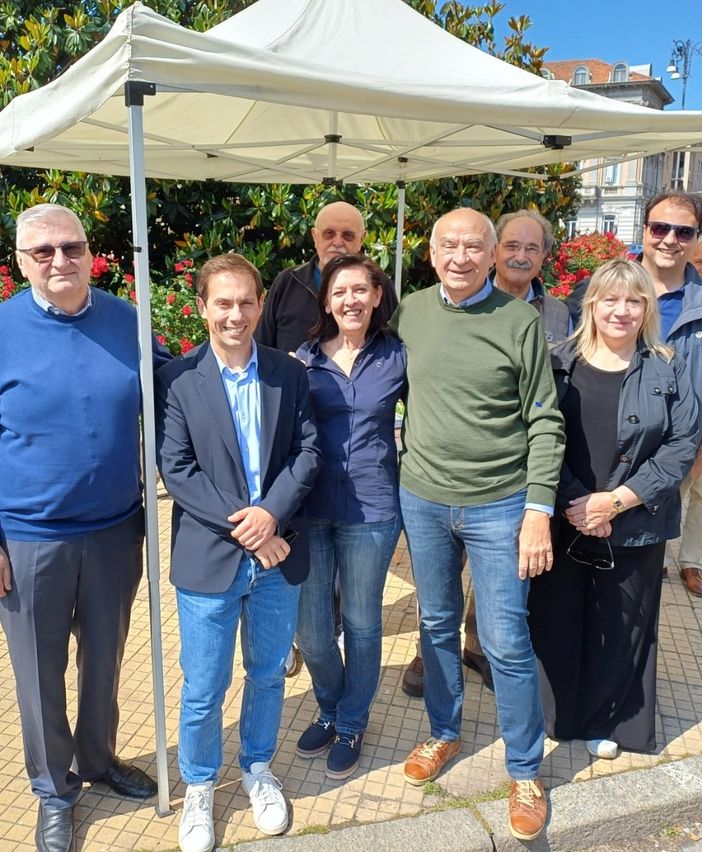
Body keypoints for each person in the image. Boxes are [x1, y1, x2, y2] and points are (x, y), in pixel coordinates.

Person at [390, 207, 565, 842]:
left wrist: (538, 511)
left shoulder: (519, 322)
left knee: (505, 640)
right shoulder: (410, 312)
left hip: (499, 504)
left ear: (492, 256)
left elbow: (545, 420)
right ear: (431, 254)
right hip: (425, 499)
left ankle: (524, 769)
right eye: (449, 246)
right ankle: (443, 732)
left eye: (473, 247)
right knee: (435, 624)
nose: (460, 257)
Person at [0, 203, 164, 852]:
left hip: (116, 531)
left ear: (91, 250)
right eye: (43, 252)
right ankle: (53, 790)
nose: (60, 262)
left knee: (105, 660)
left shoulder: (128, 321)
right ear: (20, 262)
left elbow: (180, 399)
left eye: (71, 247)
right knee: (40, 675)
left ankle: (97, 760)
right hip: (29, 537)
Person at [155, 253, 321, 852]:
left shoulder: (287, 372)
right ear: (202, 308)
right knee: (203, 685)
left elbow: (307, 453)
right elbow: (177, 470)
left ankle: (257, 768)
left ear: (260, 305)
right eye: (222, 302)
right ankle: (199, 786)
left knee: (268, 674)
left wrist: (271, 514)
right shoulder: (177, 379)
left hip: (279, 558)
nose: (235, 314)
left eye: (246, 301)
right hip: (212, 559)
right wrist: (252, 529)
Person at [529, 259, 698, 760]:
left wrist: (615, 502)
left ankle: (610, 721)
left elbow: (681, 444)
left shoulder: (669, 365)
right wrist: (575, 502)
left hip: (636, 520)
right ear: (591, 305)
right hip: (564, 519)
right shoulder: (558, 360)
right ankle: (555, 716)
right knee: (556, 618)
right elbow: (537, 436)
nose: (621, 311)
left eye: (634, 300)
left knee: (622, 624)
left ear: (646, 307)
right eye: (610, 300)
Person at [293, 254, 405, 779]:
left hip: (373, 508)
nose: (351, 301)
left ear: (377, 296)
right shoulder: (304, 358)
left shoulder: (398, 355)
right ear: (327, 301)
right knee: (313, 632)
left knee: (361, 623)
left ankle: (352, 720)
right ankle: (331, 705)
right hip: (311, 509)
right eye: (340, 292)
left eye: (361, 290)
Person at [567, 192, 702, 597]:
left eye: (683, 231)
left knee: (634, 588)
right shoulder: (595, 289)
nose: (669, 238)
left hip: (673, 453)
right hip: (594, 464)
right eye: (660, 227)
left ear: (697, 239)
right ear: (644, 230)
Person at [255, 200, 398, 353]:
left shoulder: (378, 285)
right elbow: (262, 346)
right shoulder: (287, 282)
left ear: (362, 239)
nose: (337, 242)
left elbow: (393, 344)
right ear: (315, 236)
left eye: (347, 235)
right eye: (329, 233)